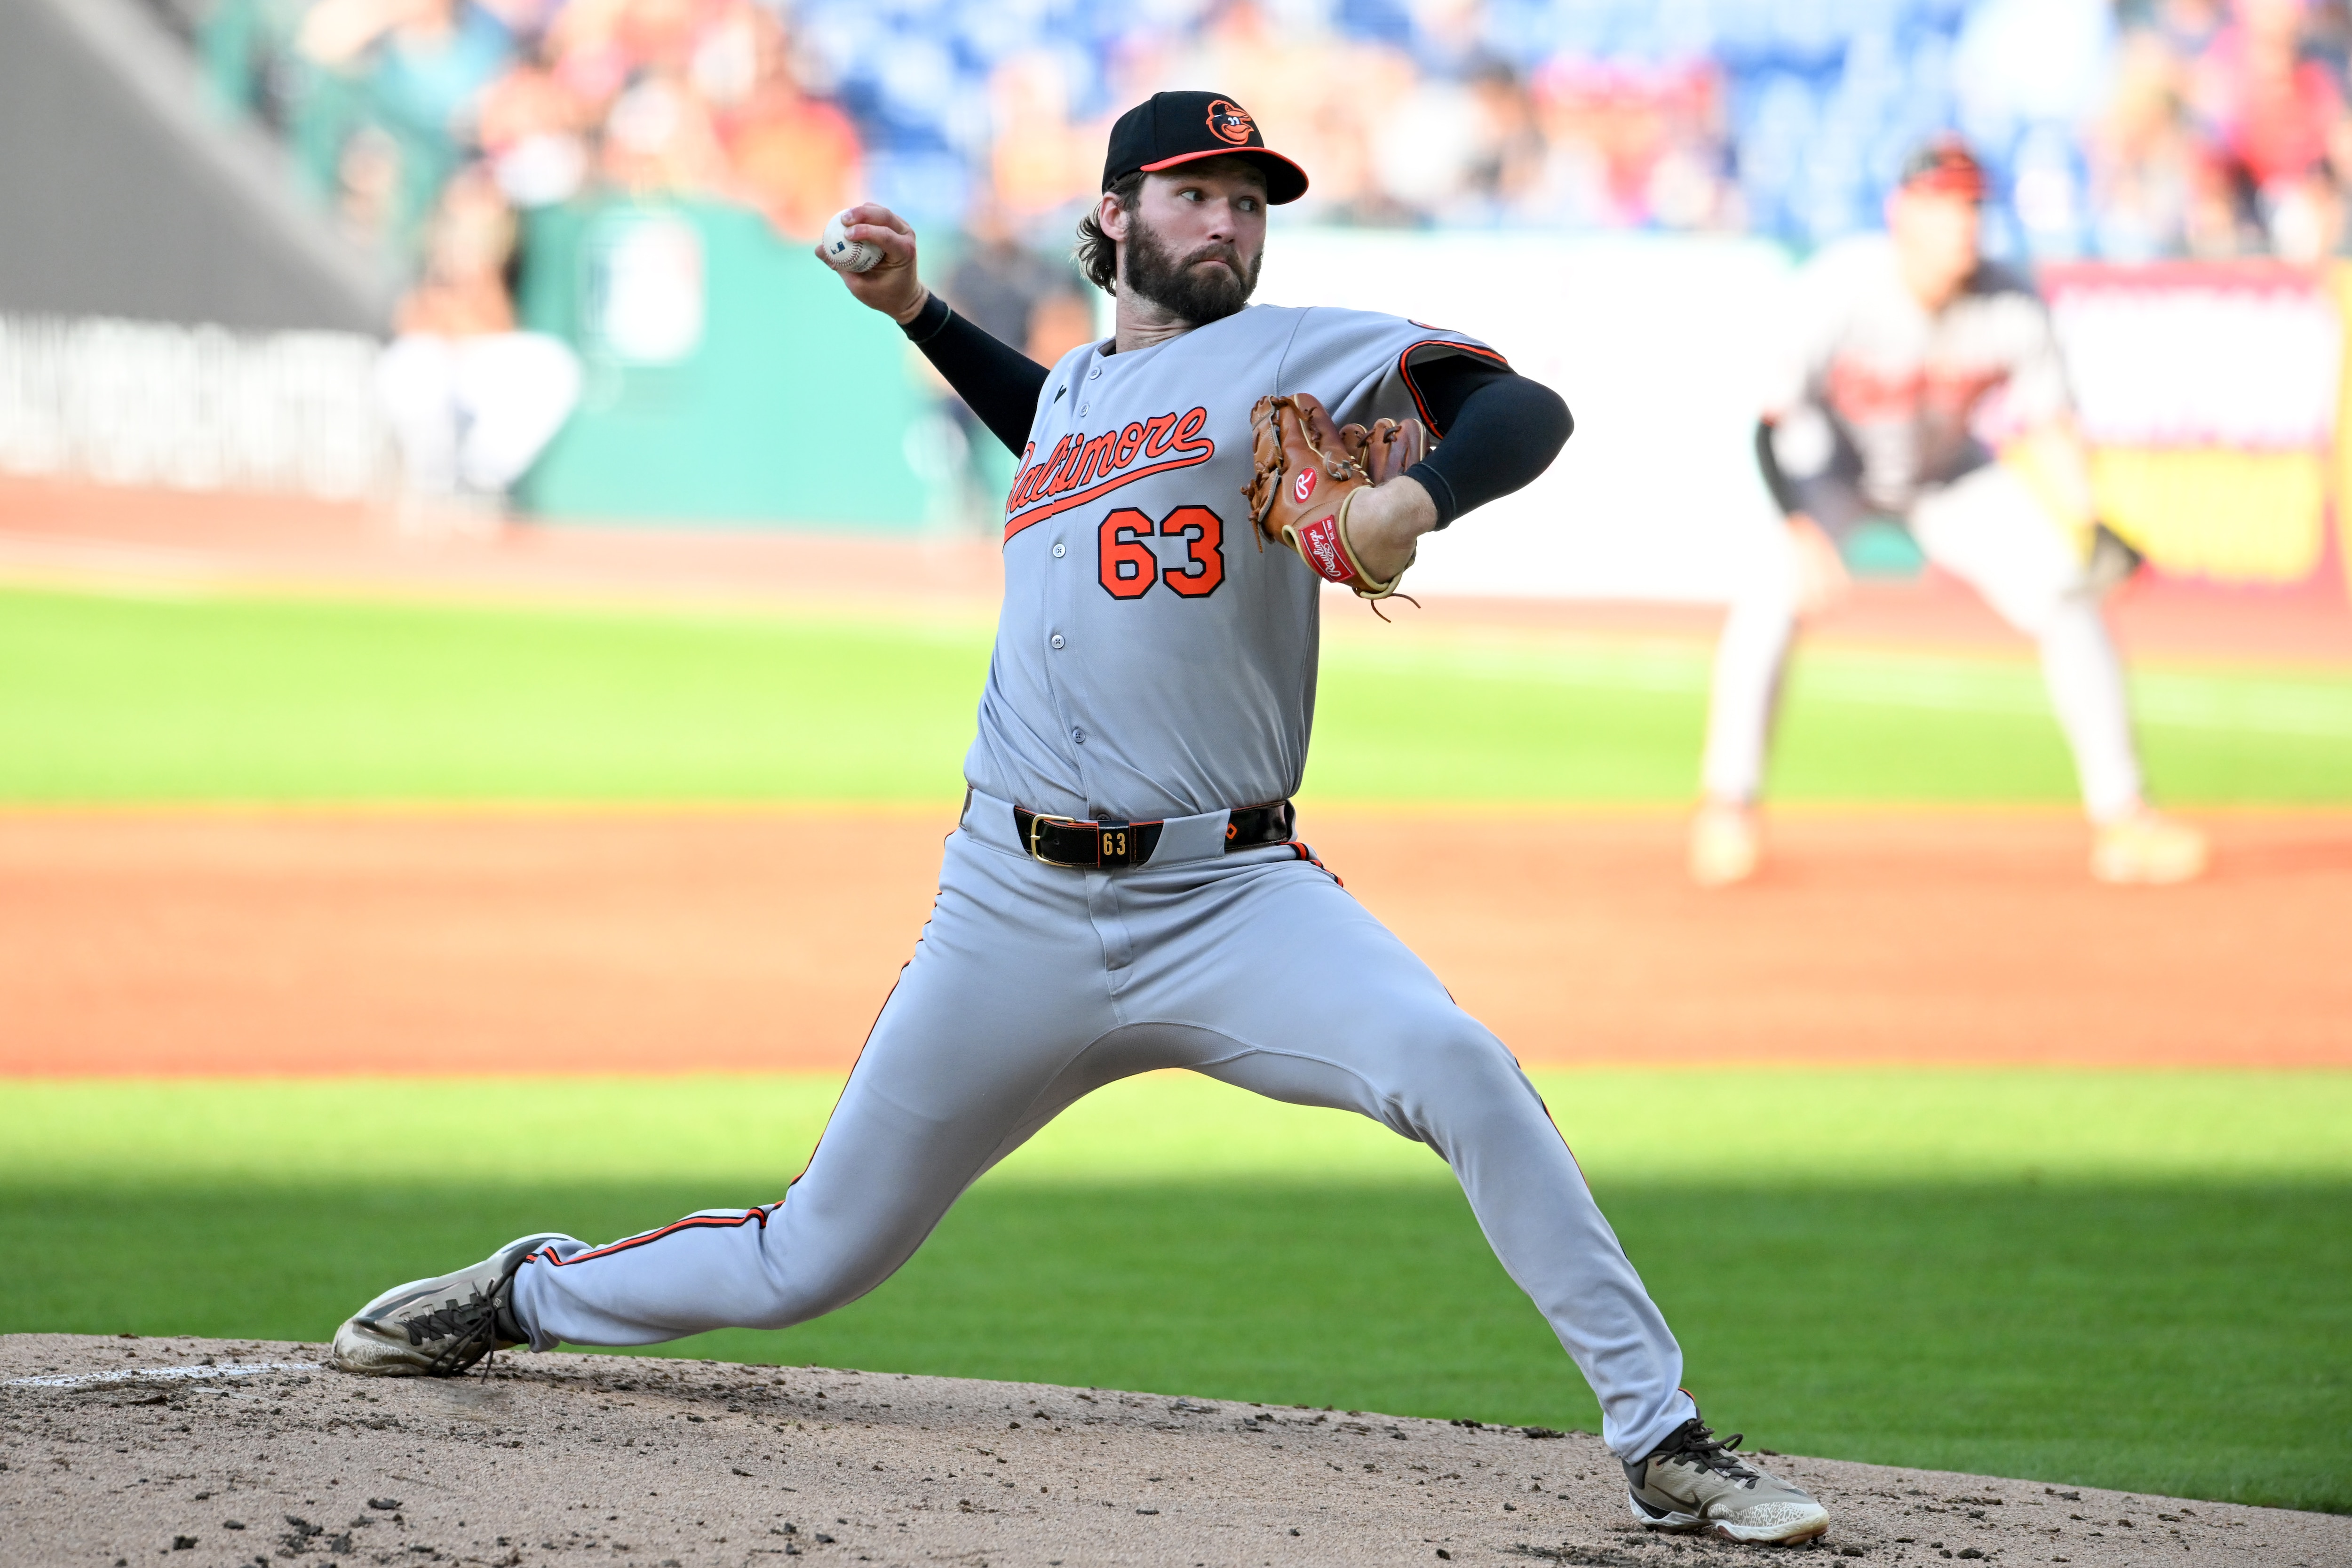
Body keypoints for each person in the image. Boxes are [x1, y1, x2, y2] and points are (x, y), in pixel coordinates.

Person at [328, 90, 1833, 1549]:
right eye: (1195, 193)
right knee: (812, 1257)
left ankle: (1659, 1438)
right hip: (1012, 907)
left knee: (1456, 1061)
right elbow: (1045, 416)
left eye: (1248, 203)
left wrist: (1417, 496)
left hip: (1233, 899)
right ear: (1112, 219)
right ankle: (527, 1293)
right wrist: (918, 313)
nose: (1229, 222)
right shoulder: (1071, 393)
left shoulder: (1292, 357)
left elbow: (1524, 407)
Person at [1691, 137, 2209, 889]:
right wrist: (1800, 527)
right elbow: (1769, 422)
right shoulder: (1842, 285)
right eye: (1946, 206)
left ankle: (2124, 819)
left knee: (2068, 591)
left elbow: (2050, 423)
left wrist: (2091, 523)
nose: (1965, 223)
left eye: (1973, 206)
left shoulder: (2009, 298)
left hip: (1946, 477)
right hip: (1834, 470)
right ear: (1904, 215)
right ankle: (1727, 808)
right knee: (1770, 597)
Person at [373, 166, 581, 514]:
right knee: (407, 368)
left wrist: (469, 291)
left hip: (481, 366)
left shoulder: (502, 264)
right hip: (436, 366)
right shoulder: (429, 257)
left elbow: (495, 323)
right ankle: (431, 481)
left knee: (555, 367)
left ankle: (481, 480)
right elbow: (411, 321)